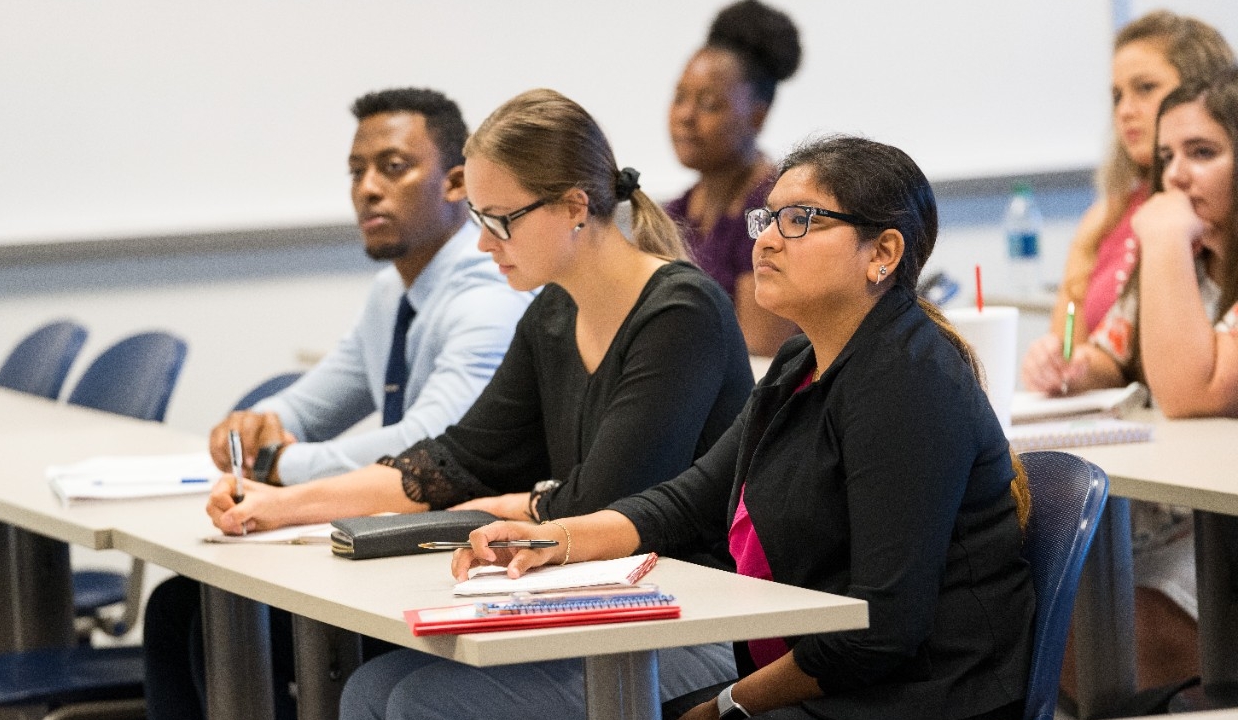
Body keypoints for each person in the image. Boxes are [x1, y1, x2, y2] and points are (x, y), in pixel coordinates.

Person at [344, 136, 1037, 720]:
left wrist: (726, 704)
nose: (766, 240)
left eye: (800, 220)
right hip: (820, 678)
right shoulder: (804, 359)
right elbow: (689, 500)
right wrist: (551, 540)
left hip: (913, 700)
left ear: (882, 252)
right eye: (768, 218)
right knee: (376, 688)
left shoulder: (908, 382)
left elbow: (882, 631)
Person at [208, 87, 754, 544]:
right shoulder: (553, 311)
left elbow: (603, 504)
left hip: (684, 611)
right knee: (388, 677)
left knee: (398, 679)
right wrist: (281, 505)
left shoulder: (681, 313)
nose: (482, 244)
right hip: (586, 594)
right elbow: (457, 459)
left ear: (574, 207)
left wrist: (516, 504)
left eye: (500, 220)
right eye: (478, 218)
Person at [144, 87, 531, 720]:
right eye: (357, 172)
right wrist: (263, 424)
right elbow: (317, 399)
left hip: (455, 547)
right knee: (180, 607)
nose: (368, 189)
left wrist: (281, 469)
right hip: (387, 534)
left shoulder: (488, 291)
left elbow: (432, 437)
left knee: (204, 617)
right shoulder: (393, 291)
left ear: (457, 181)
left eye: (393, 166)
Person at [1025, 67, 1238, 696]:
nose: (1175, 175)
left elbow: (1192, 391)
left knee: (1073, 641)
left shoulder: (1169, 243)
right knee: (1018, 607)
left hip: (1219, 538)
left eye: (1203, 153)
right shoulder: (1186, 264)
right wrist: (1068, 368)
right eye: (1169, 156)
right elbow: (1110, 354)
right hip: (1174, 526)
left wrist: (1164, 235)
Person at [1024, 11, 1232, 368]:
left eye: (1145, 88)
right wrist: (1060, 365)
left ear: (1202, 90)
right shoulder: (1109, 215)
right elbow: (1078, 350)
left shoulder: (1206, 215)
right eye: (1117, 96)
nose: (1125, 110)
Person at [664, 0, 802, 357]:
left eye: (709, 104)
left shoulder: (774, 214)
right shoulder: (674, 212)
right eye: (680, 97)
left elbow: (761, 352)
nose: (685, 116)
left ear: (757, 116)